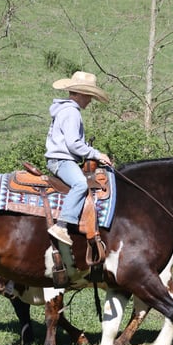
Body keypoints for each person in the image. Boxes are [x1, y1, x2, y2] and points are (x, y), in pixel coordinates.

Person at [45, 71, 113, 246]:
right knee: (80, 184)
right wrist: (97, 154)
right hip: (62, 160)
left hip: (61, 159)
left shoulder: (66, 109)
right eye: (89, 96)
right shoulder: (71, 112)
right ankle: (62, 224)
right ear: (81, 94)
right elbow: (73, 144)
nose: (90, 100)